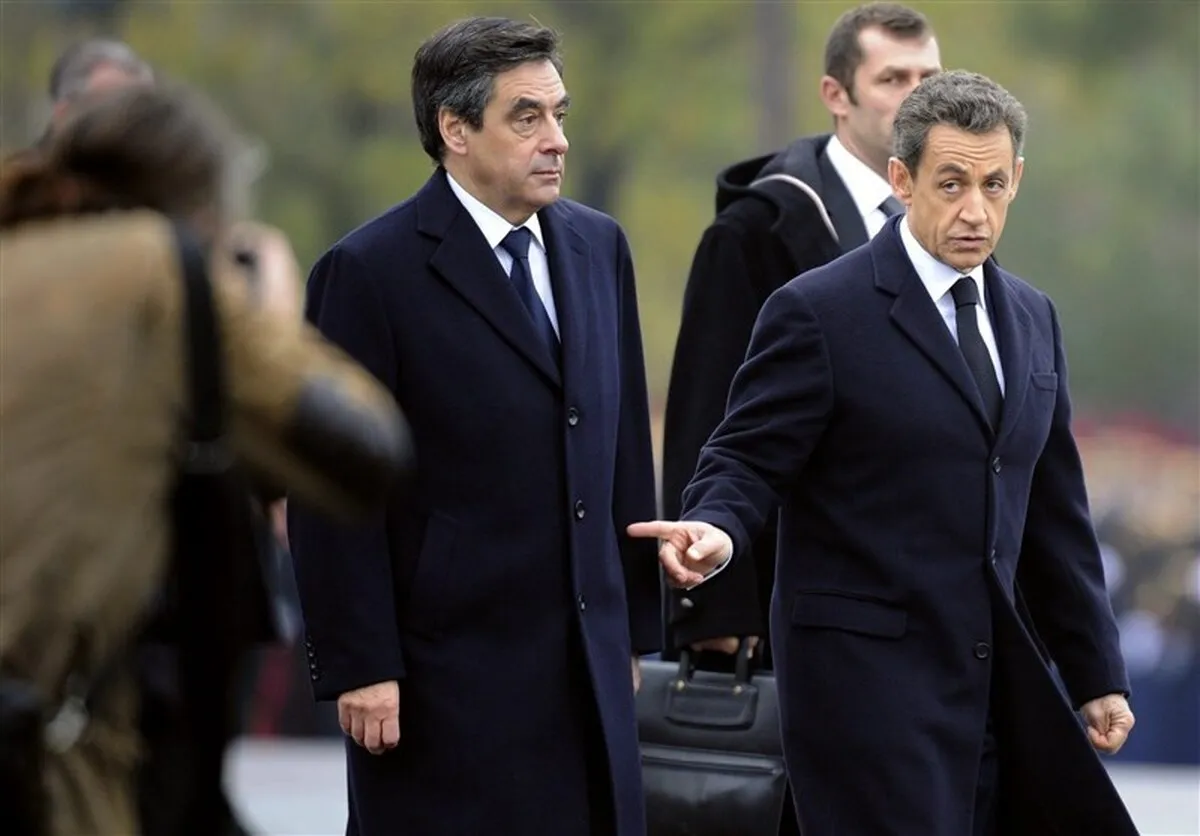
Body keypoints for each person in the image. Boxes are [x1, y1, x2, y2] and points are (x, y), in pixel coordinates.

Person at [630, 70, 1139, 836]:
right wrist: (717, 532)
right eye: (951, 184)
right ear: (902, 180)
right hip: (863, 697)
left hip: (993, 695)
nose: (975, 211)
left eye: (994, 185)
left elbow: (1054, 515)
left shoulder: (1033, 317)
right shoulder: (819, 311)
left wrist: (1096, 671)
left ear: (1017, 180)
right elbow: (743, 459)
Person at [0, 83, 411, 836]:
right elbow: (366, 449)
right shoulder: (161, 271)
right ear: (201, 204)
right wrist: (247, 302)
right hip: (57, 763)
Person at [286, 16, 661, 836]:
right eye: (527, 117)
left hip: (588, 666)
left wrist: (633, 631)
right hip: (442, 677)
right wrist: (360, 664)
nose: (557, 139)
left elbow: (623, 445)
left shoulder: (600, 246)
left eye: (559, 113)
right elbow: (329, 488)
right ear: (454, 129)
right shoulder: (367, 273)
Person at [661, 2, 941, 666]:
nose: (917, 98)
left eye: (928, 78)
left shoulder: (953, 224)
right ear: (836, 95)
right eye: (893, 79)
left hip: (924, 604)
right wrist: (713, 607)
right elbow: (708, 417)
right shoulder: (756, 232)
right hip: (797, 602)